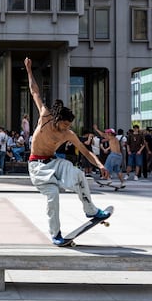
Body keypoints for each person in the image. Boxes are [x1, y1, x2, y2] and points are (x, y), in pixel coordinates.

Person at [24, 57, 111, 246]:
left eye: (68, 126)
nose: (66, 129)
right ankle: (56, 235)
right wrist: (29, 70)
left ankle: (91, 210)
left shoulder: (69, 134)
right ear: (57, 119)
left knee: (79, 174)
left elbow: (86, 152)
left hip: (54, 162)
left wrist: (100, 164)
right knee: (53, 198)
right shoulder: (45, 116)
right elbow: (34, 91)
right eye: (64, 124)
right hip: (37, 167)